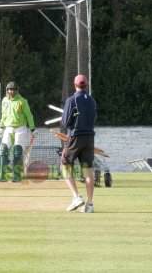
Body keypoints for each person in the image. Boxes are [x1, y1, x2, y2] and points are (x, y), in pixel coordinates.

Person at [61, 74, 97, 213]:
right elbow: (93, 119)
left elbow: (65, 122)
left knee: (65, 166)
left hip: (76, 137)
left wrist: (71, 120)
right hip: (89, 137)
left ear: (75, 85)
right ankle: (90, 204)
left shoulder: (72, 100)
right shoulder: (92, 101)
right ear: (86, 85)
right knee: (87, 171)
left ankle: (76, 197)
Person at [0, 81, 37, 182]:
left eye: (14, 89)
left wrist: (32, 128)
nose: (12, 91)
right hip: (8, 129)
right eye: (10, 89)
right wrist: (1, 126)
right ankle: (1, 176)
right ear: (7, 90)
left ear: (17, 91)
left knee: (17, 152)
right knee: (3, 150)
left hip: (20, 129)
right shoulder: (4, 100)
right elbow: (3, 114)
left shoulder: (22, 101)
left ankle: (17, 176)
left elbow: (28, 115)